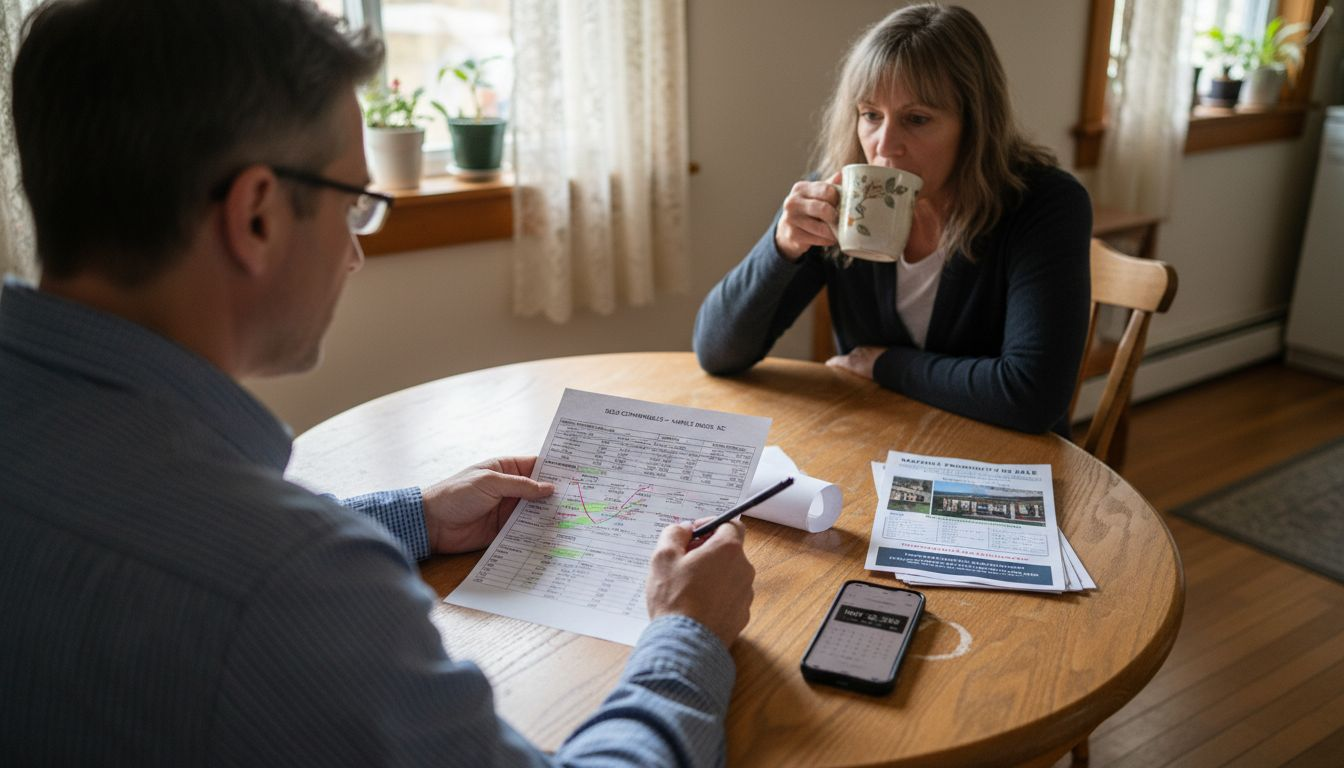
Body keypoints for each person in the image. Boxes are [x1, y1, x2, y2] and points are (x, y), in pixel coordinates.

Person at [0, 1, 753, 765]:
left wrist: (414, 517)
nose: (355, 254)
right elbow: (243, 571)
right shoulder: (294, 586)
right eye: (354, 204)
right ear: (257, 216)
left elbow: (166, 538)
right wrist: (686, 634)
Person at [693, 3, 1091, 436]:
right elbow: (717, 353)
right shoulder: (841, 197)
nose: (885, 146)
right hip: (879, 445)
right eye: (871, 115)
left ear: (975, 124)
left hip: (1009, 458)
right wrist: (780, 247)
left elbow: (1031, 397)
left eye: (916, 119)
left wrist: (883, 364)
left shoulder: (1045, 204)